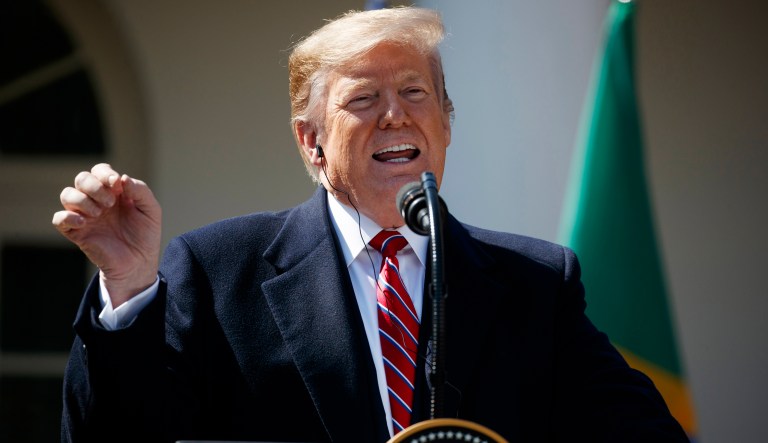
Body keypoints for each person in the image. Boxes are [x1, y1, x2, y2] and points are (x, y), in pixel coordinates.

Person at [53, 7, 688, 443]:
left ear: (446, 122)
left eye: (416, 93)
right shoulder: (217, 272)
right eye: (363, 99)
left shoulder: (537, 284)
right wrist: (131, 289)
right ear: (312, 142)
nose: (395, 116)